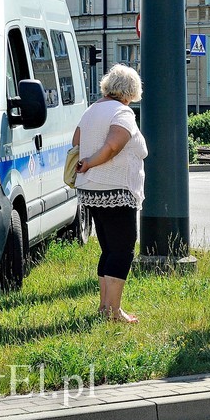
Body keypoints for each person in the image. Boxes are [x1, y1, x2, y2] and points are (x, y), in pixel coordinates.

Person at [73, 64, 147, 323]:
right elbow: (114, 146)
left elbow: (76, 142)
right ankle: (114, 311)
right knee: (123, 250)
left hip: (92, 189)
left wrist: (86, 163)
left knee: (108, 249)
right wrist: (92, 162)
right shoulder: (122, 112)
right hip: (116, 188)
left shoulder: (92, 110)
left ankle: (104, 308)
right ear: (131, 91)